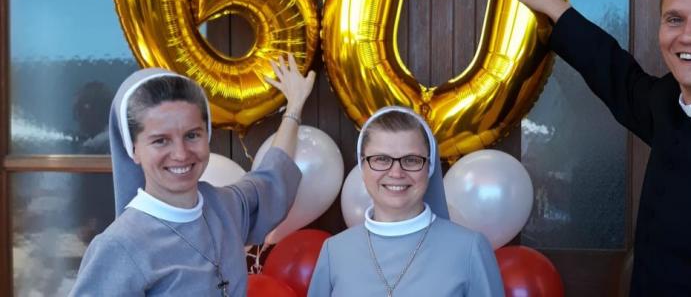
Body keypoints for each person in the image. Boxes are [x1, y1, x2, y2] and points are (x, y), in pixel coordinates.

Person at [508, 0, 691, 296]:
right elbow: (616, 74)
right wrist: (557, 9)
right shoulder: (668, 101)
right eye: (675, 19)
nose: (688, 35)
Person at [70, 54, 315, 296]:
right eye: (160, 140)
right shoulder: (119, 246)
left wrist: (294, 107)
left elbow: (273, 179)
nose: (180, 154)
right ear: (134, 149)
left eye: (192, 135)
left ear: (207, 135)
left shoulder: (224, 207)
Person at [308, 106, 504, 297]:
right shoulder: (334, 252)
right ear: (362, 165)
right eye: (381, 159)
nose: (396, 173)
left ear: (429, 167)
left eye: (411, 160)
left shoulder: (469, 249)